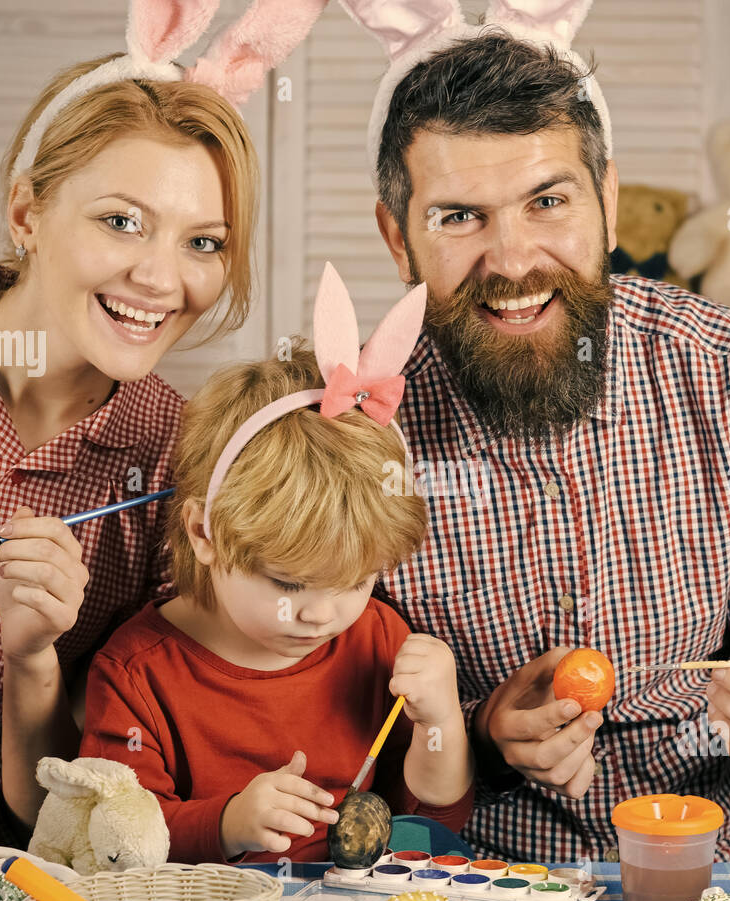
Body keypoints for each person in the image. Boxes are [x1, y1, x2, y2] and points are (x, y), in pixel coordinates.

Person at [301, 0, 730, 863]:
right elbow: (301, 715)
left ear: (608, 201)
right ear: (398, 240)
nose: (514, 259)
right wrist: (477, 731)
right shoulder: (347, 415)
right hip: (470, 881)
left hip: (717, 871)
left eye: (549, 201)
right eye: (460, 216)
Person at [0, 0, 330, 845]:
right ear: (27, 214)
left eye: (204, 243)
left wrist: (32, 660)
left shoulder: (179, 464)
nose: (160, 278)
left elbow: (70, 806)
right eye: (121, 221)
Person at [77, 275, 474, 863]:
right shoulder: (136, 674)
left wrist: (440, 720)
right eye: (287, 583)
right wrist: (227, 822)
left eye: (355, 583)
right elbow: (112, 839)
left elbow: (435, 825)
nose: (320, 614)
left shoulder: (379, 642)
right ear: (203, 532)